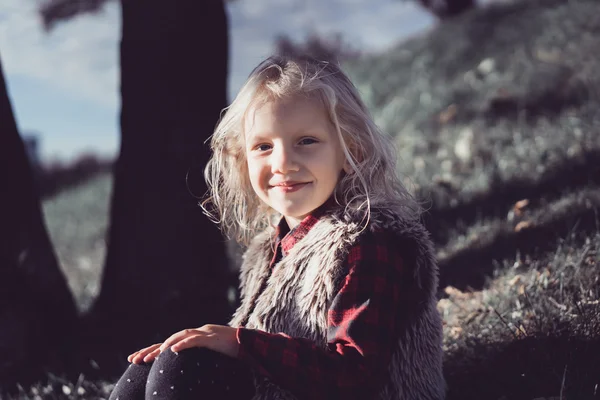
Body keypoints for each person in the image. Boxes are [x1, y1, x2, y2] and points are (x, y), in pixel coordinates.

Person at [109, 54, 445, 400]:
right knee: (152, 368)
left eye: (306, 141)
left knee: (184, 368)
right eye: (264, 147)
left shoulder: (368, 241)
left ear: (351, 150)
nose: (282, 163)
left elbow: (354, 376)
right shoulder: (272, 247)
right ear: (242, 160)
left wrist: (240, 343)